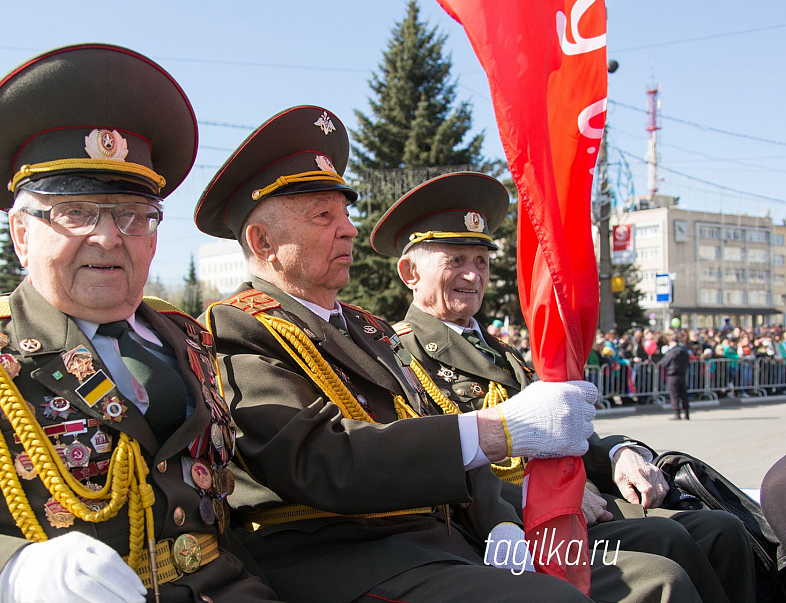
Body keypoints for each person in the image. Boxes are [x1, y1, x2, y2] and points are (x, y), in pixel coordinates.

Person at [192, 105, 688, 603]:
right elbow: (322, 460)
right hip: (345, 559)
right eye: (324, 215)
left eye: (345, 213)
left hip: (442, 540)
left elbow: (432, 420)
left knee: (668, 559)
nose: (348, 229)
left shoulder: (366, 327)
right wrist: (498, 432)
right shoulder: (237, 327)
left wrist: (498, 523)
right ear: (263, 241)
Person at [0, 44, 278, 603]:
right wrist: (8, 575)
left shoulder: (190, 338)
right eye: (76, 212)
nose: (109, 237)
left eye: (133, 215)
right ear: (22, 234)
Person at [370, 171, 757, 603]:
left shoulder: (504, 353)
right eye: (455, 260)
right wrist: (543, 498)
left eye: (481, 261)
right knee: (666, 555)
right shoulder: (397, 355)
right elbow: (441, 463)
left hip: (572, 499)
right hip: (502, 528)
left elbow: (559, 427)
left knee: (723, 531)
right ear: (409, 272)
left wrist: (616, 453)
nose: (473, 275)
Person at [659, 334, 692, 420]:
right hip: (682, 374)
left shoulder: (672, 352)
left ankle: (677, 413)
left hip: (672, 375)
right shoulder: (684, 351)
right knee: (683, 394)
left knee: (674, 395)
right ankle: (686, 413)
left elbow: (664, 363)